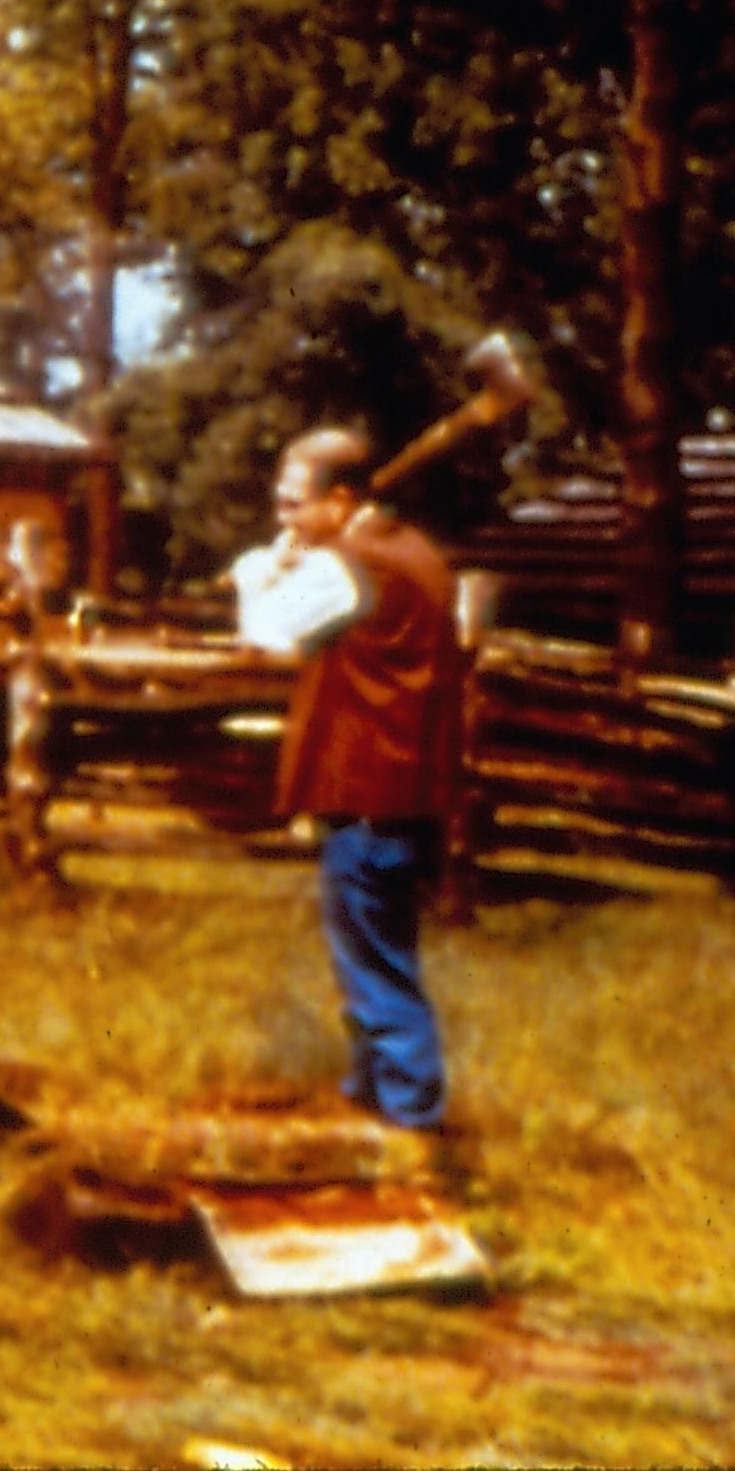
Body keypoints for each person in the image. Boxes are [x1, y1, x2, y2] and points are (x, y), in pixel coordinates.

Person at [230, 426, 467, 1132]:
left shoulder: (352, 565)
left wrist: (256, 574)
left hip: (366, 795)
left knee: (376, 963)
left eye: (291, 506)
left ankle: (409, 1121)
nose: (284, 521)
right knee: (373, 954)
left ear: (339, 500)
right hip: (403, 791)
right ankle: (370, 1098)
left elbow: (262, 638)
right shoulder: (413, 554)